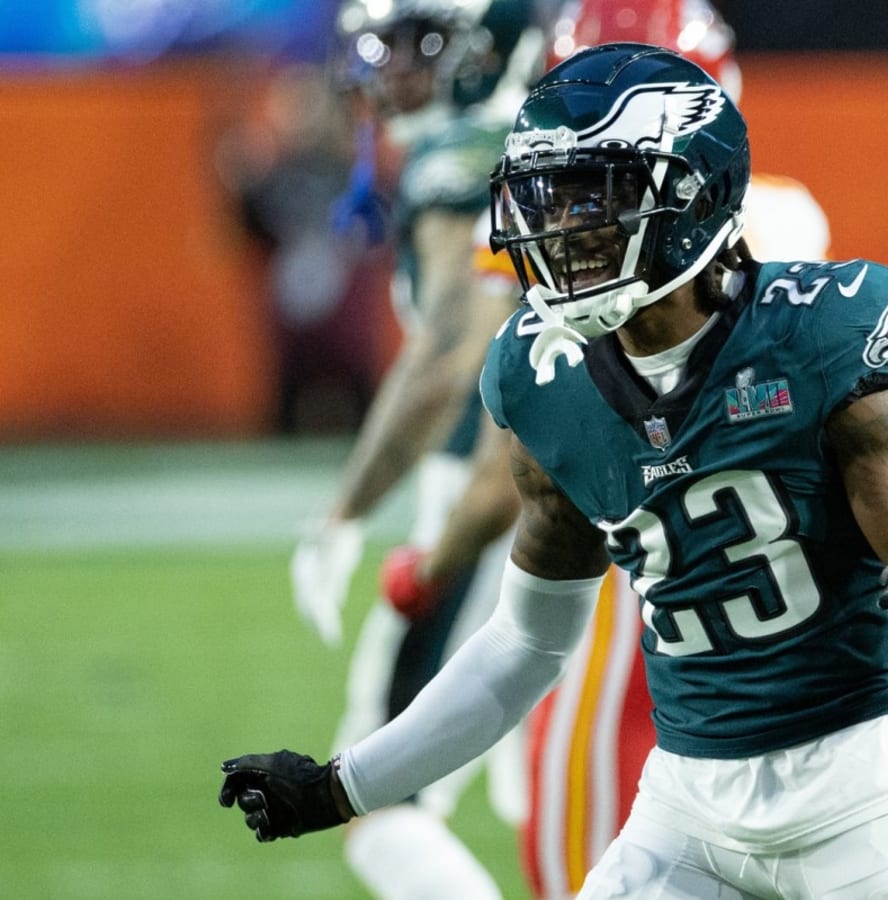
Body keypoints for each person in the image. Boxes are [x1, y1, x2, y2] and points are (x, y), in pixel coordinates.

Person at [221, 42, 888, 898]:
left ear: (691, 196)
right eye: (546, 196)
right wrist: (343, 787)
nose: (562, 226)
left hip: (862, 791)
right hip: (689, 807)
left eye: (594, 194)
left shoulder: (825, 337)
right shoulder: (542, 378)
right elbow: (524, 644)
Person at [287, 2, 545, 897]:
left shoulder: (465, 157)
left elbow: (445, 357)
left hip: (496, 504)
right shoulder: (554, 134)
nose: (392, 67)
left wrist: (343, 512)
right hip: (588, 501)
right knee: (563, 802)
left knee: (374, 798)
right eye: (386, 43)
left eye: (422, 43)